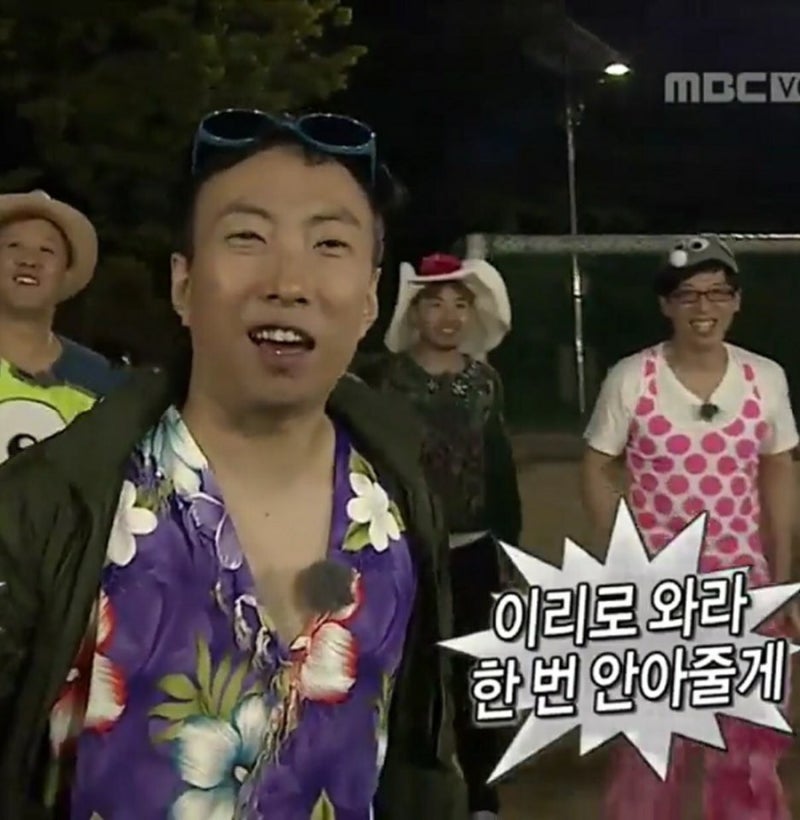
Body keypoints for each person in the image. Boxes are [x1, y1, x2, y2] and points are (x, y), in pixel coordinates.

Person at [0, 111, 465, 819]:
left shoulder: (401, 502)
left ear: (371, 298)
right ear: (183, 284)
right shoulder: (50, 509)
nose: (289, 282)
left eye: (329, 244)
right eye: (247, 237)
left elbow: (416, 759)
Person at [581, 234, 798, 819]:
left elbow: (779, 471)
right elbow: (598, 465)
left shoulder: (765, 378)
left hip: (743, 591)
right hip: (657, 593)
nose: (704, 308)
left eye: (717, 293)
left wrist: (783, 582)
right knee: (650, 750)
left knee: (749, 751)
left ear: (736, 301)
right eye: (688, 295)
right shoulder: (633, 378)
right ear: (666, 305)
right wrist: (624, 565)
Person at [356, 252, 521, 820]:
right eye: (435, 303)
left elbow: (499, 470)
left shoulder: (486, 383)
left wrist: (509, 549)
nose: (448, 316)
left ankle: (482, 797)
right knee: (407, 675)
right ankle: (398, 793)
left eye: (460, 304)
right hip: (406, 552)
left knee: (478, 673)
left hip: (475, 551)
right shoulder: (383, 382)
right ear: (414, 311)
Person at [0, 190, 124, 462]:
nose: (29, 260)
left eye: (47, 250)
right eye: (13, 246)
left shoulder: (102, 385)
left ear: (66, 271)